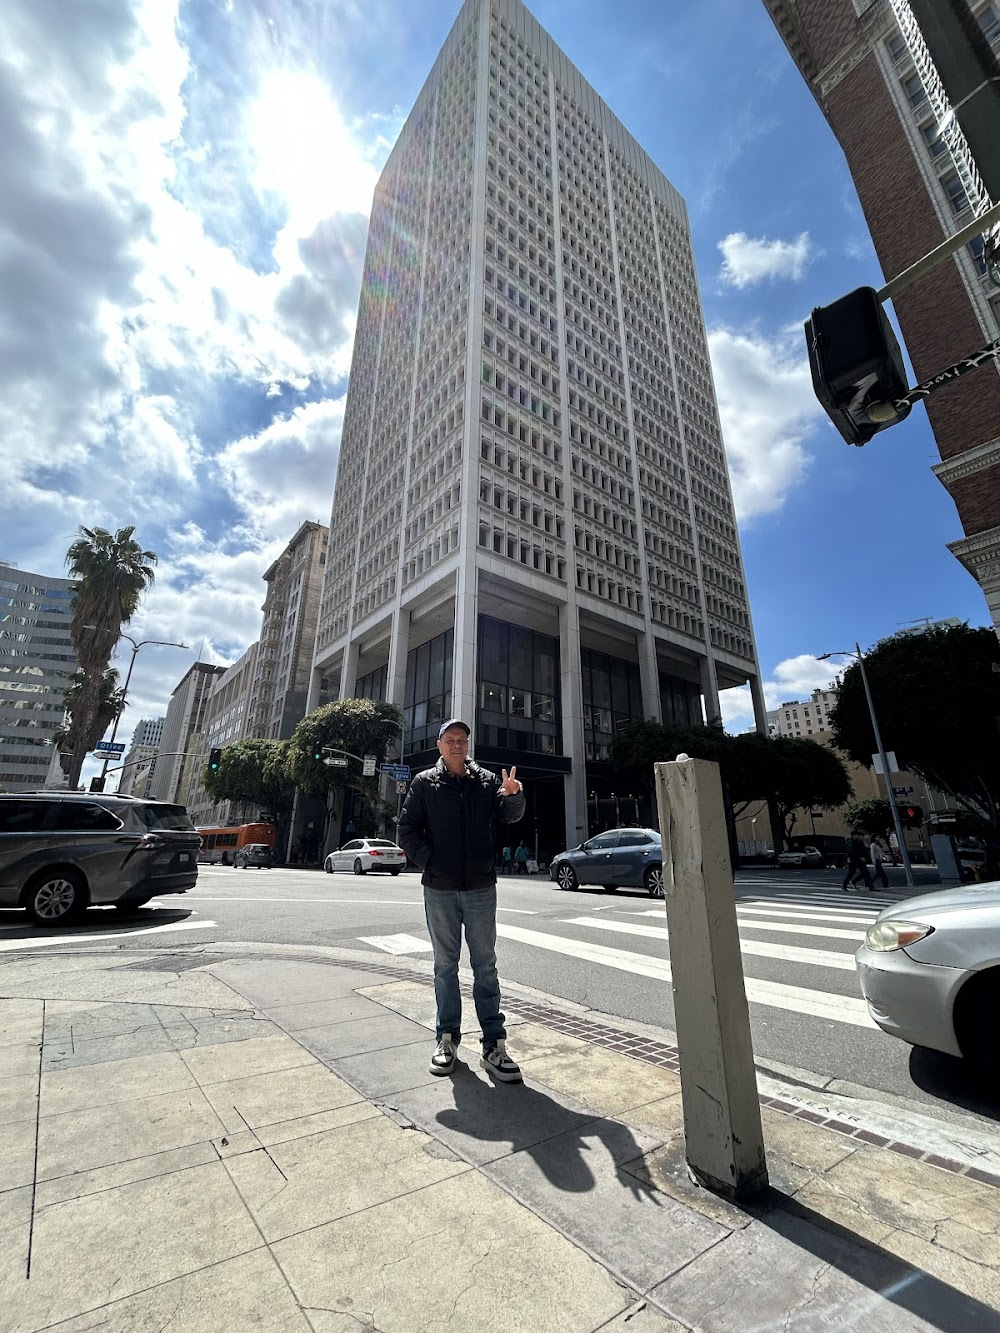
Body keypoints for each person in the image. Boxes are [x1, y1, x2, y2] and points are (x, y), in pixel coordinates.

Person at [398, 719, 526, 1083]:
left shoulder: (486, 781)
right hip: (439, 888)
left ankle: (493, 1044)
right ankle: (447, 1038)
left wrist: (513, 794)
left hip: (481, 888)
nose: (457, 745)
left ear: (468, 745)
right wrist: (431, 861)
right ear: (439, 745)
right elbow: (406, 830)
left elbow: (510, 815)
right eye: (450, 740)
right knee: (445, 966)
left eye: (462, 740)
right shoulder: (424, 783)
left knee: (486, 965)